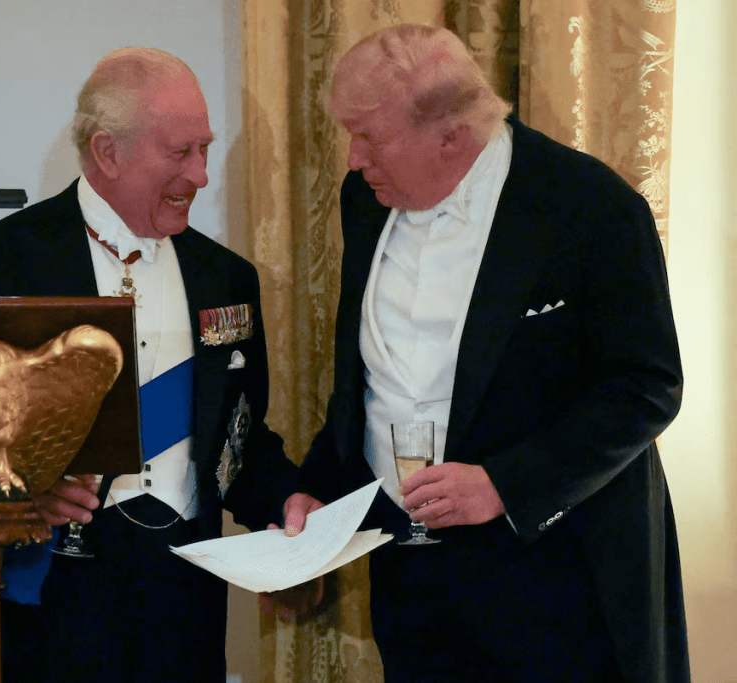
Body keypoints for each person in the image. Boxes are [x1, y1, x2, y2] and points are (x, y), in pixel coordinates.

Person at [281, 24, 689, 683]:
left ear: (451, 135)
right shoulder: (365, 199)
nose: (353, 157)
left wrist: (504, 483)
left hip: (554, 582)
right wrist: (316, 487)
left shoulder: (592, 209)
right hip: (410, 581)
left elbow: (646, 385)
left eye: (369, 136)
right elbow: (374, 379)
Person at [0, 47, 299, 682]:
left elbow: (239, 439)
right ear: (107, 151)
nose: (202, 175)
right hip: (45, 603)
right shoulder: (2, 265)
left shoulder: (225, 277)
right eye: (181, 153)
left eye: (204, 149)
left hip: (182, 607)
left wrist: (289, 506)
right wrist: (12, 492)